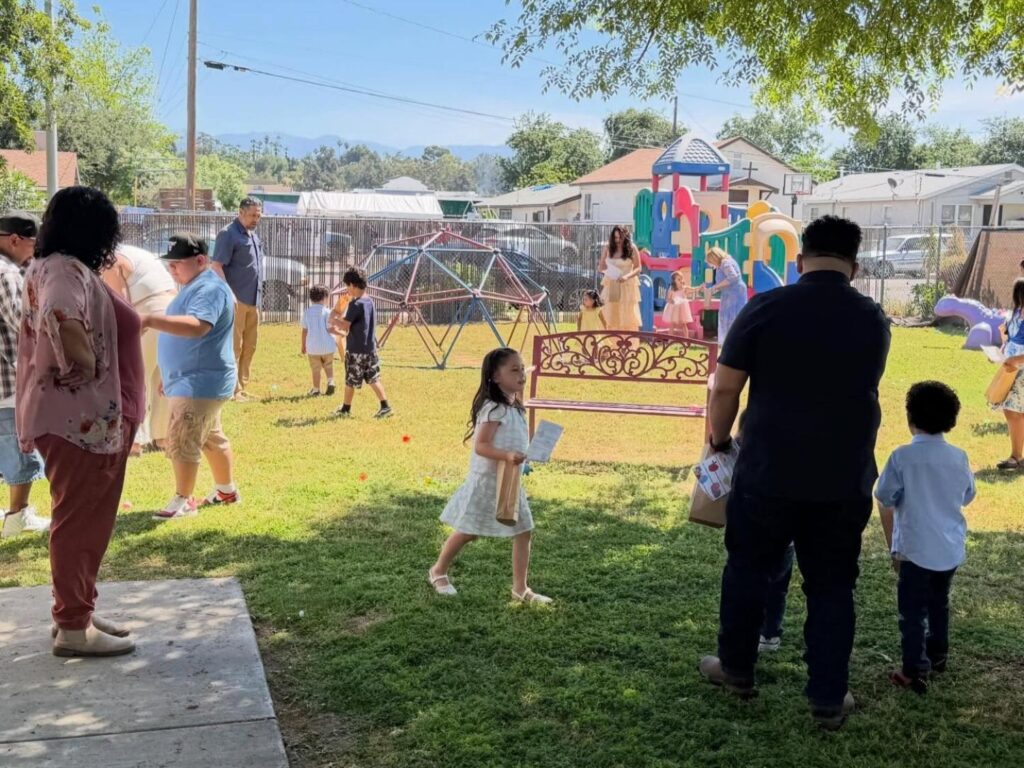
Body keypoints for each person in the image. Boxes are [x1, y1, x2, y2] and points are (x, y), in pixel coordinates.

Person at [699, 216, 891, 731]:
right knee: (832, 585)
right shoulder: (873, 319)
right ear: (854, 265)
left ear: (800, 259)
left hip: (767, 469)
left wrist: (719, 442)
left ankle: (736, 669)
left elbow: (724, 389)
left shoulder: (766, 307)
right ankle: (828, 697)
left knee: (748, 569)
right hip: (843, 475)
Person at [17, 186, 143, 657]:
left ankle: (77, 610)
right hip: (80, 421)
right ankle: (72, 627)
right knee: (80, 521)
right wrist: (83, 363)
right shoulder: (65, 270)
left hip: (85, 421)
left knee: (85, 518)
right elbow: (59, 313)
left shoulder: (56, 266)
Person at [429, 347, 551, 604]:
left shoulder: (515, 406)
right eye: (514, 370)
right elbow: (481, 446)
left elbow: (515, 441)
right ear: (496, 377)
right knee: (468, 532)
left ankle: (520, 589)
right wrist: (507, 456)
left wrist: (525, 457)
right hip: (486, 481)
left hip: (509, 481)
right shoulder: (493, 409)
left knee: (524, 529)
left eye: (522, 368)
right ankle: (438, 571)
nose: (521, 375)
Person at [875, 381, 975, 694]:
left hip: (913, 549)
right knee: (939, 603)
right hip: (948, 548)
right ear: (952, 419)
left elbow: (884, 494)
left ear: (909, 417)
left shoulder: (901, 457)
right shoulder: (958, 457)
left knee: (912, 612)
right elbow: (968, 494)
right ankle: (938, 655)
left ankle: (913, 670)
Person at [144, 233, 239, 520]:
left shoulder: (209, 289)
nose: (171, 270)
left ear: (200, 260)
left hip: (200, 381)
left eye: (177, 264)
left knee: (183, 440)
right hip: (191, 379)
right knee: (211, 437)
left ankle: (183, 500)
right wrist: (169, 374)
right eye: (169, 264)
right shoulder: (194, 285)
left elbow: (198, 326)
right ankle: (226, 490)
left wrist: (148, 319)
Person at [102, 243, 178, 455]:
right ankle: (162, 436)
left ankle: (135, 439)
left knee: (134, 377)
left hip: (149, 312)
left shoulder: (111, 259)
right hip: (173, 310)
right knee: (161, 376)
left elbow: (121, 303)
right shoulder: (134, 252)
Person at [0, 211, 49, 539]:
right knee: (18, 446)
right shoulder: (6, 274)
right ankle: (18, 515)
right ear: (15, 240)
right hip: (9, 380)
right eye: (34, 244)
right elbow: (24, 324)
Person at [212, 197, 264, 402]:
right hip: (236, 300)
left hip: (253, 300)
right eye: (252, 215)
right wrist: (229, 293)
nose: (255, 219)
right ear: (240, 212)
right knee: (234, 346)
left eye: (258, 216)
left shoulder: (252, 235)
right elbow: (216, 266)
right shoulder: (228, 234)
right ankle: (231, 389)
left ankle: (241, 387)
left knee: (250, 346)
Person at [333, 267, 391, 419]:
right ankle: (385, 406)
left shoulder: (355, 304)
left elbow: (345, 325)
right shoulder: (369, 301)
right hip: (370, 349)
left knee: (350, 380)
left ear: (352, 285)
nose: (347, 290)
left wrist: (334, 319)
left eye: (347, 286)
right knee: (373, 378)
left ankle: (345, 409)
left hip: (356, 350)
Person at [992, 278, 1024, 471]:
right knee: (1012, 410)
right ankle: (1017, 455)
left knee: (1014, 410)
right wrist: (999, 355)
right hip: (1010, 369)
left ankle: (1016, 456)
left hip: (1019, 368)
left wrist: (1016, 359)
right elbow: (1008, 339)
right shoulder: (1015, 315)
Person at [598, 226, 641, 331]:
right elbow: (601, 267)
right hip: (612, 285)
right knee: (612, 313)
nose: (617, 240)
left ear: (625, 237)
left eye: (620, 238)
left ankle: (627, 343)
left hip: (627, 286)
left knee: (627, 314)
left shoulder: (632, 248)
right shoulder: (608, 248)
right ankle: (611, 343)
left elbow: (638, 268)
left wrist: (626, 276)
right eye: (615, 238)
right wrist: (604, 268)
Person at [704, 246, 747, 343]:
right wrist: (713, 289)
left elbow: (733, 277)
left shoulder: (725, 263)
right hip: (729, 293)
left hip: (735, 294)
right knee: (726, 317)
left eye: (710, 261)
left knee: (733, 317)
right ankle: (728, 341)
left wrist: (716, 287)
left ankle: (733, 341)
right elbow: (724, 282)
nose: (710, 264)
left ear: (714, 258)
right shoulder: (721, 265)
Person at [302, 285, 336, 396]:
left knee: (315, 369)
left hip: (313, 347)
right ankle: (331, 382)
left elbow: (305, 330)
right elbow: (330, 328)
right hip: (328, 346)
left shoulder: (307, 312)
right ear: (325, 298)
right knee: (329, 365)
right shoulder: (327, 312)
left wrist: (303, 345)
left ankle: (316, 389)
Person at [664, 270, 695, 337]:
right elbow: (667, 299)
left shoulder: (684, 288)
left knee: (684, 324)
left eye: (681, 279)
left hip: (682, 308)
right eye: (678, 279)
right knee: (672, 324)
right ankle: (670, 339)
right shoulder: (672, 289)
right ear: (674, 281)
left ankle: (687, 339)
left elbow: (693, 289)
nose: (680, 280)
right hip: (674, 308)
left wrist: (700, 287)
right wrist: (671, 301)